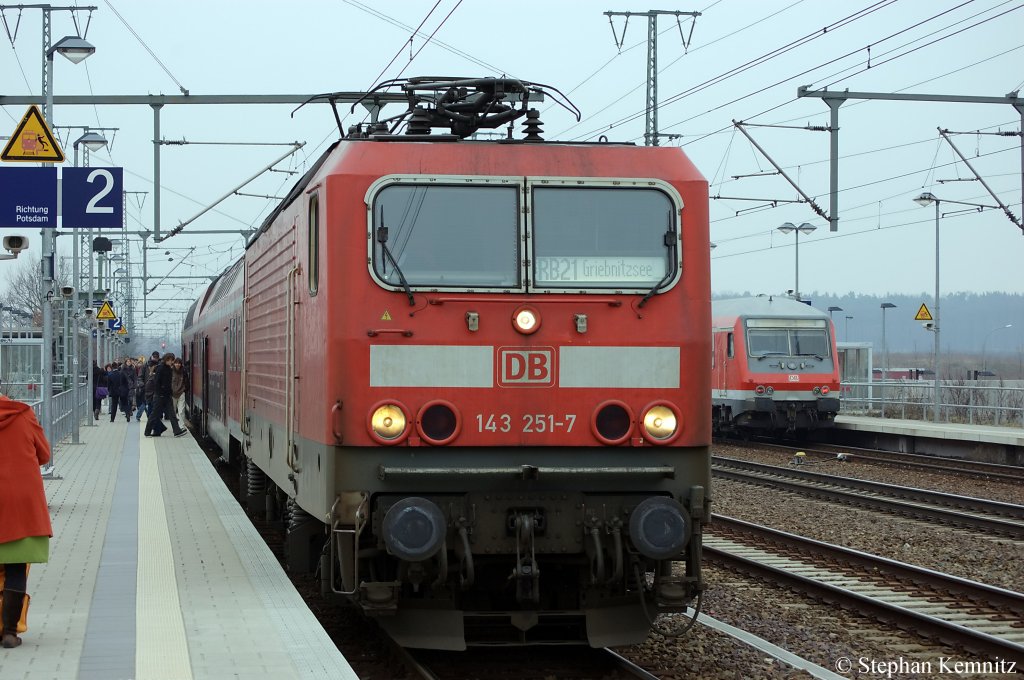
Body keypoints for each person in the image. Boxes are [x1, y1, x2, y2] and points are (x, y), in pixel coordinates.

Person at [0, 381, 53, 649]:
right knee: (16, 566)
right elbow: (44, 454)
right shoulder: (22, 413)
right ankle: (9, 632)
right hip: (20, 501)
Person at [144, 353, 187, 438]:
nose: (172, 362)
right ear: (167, 359)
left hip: (167, 396)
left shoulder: (168, 369)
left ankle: (177, 431)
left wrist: (169, 392)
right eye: (171, 360)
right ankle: (147, 432)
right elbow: (156, 382)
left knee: (172, 414)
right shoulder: (160, 368)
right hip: (160, 396)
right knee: (154, 414)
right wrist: (160, 392)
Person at [135, 353, 160, 422]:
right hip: (146, 388)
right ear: (151, 357)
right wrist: (142, 385)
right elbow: (140, 377)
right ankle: (146, 417)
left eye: (156, 357)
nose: (155, 358)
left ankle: (151, 418)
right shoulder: (145, 366)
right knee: (146, 403)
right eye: (154, 357)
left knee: (151, 404)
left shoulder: (160, 366)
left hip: (156, 389)